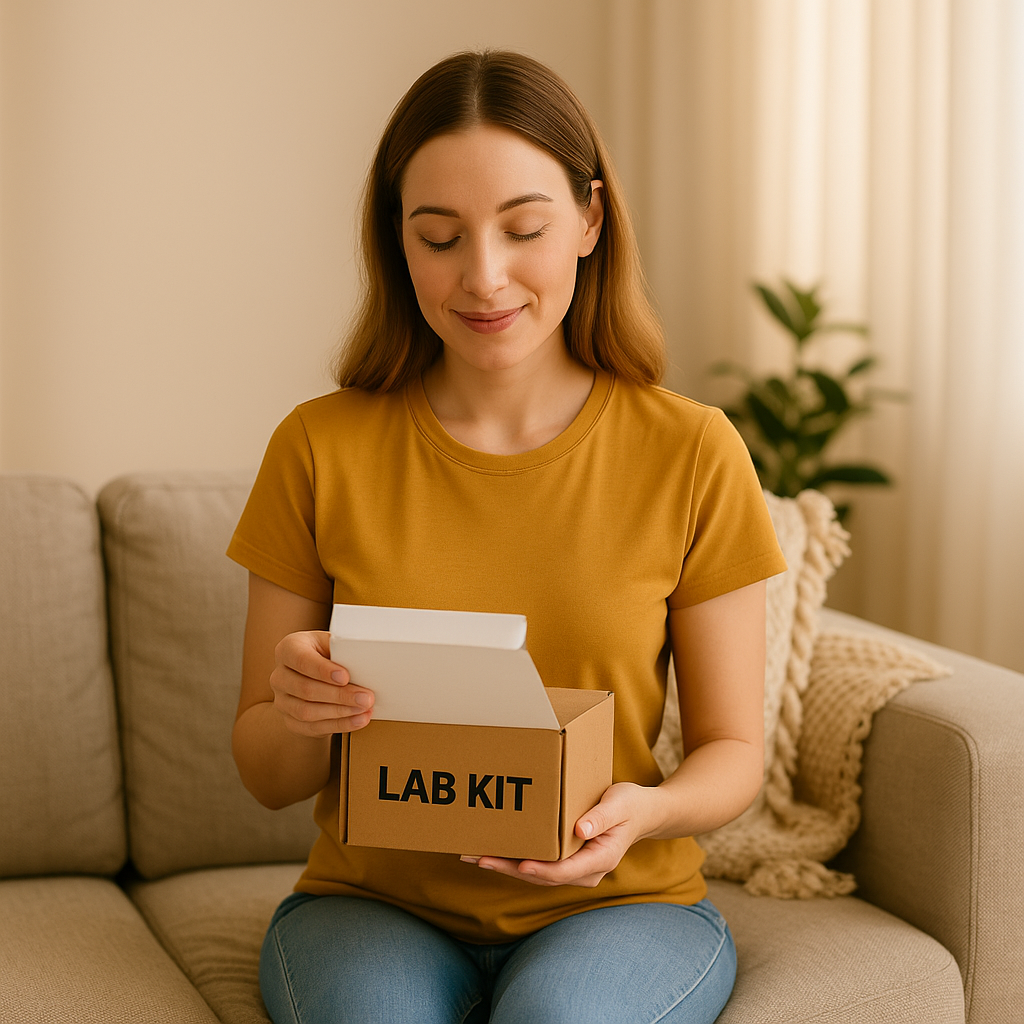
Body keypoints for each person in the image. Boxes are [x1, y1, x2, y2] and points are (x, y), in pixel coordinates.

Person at [228, 49, 786, 1024]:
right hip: (372, 906)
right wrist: (299, 707)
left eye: (522, 228)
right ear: (397, 245)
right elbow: (265, 773)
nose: (483, 278)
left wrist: (639, 813)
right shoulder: (317, 447)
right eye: (438, 236)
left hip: (618, 904)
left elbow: (733, 748)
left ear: (589, 221)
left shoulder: (692, 450)